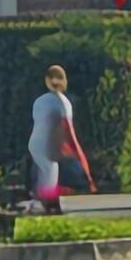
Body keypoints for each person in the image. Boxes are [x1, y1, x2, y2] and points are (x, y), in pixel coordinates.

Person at [29, 63, 93, 209]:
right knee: (49, 184)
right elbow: (70, 134)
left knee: (44, 177)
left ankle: (43, 200)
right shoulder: (63, 102)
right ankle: (43, 207)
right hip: (48, 147)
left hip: (35, 144)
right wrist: (83, 162)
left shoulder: (39, 101)